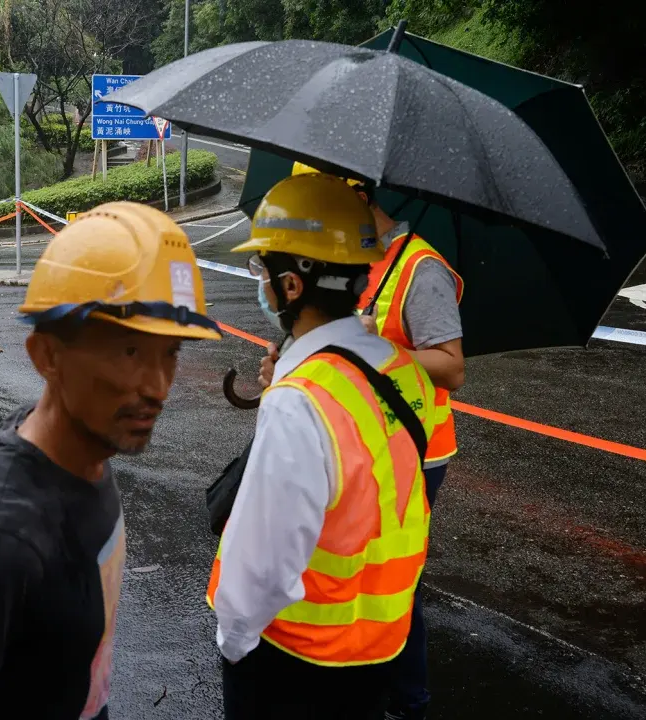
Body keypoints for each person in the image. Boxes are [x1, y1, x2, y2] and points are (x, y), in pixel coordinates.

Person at [0, 202, 221, 720]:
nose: (157, 386)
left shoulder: (85, 449)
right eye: (128, 351)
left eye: (170, 352)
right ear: (46, 356)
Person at [209, 173, 436, 719]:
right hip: (377, 649)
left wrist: (234, 643)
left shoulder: (300, 401)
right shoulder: (399, 369)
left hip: (292, 665)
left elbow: (261, 566)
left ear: (292, 285)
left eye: (262, 267)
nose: (258, 280)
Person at [269, 164, 465, 720]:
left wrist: (365, 351)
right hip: (358, 440)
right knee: (348, 572)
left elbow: (451, 367)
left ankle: (408, 702)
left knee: (394, 582)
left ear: (354, 197)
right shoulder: (351, 260)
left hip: (414, 451)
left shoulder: (420, 269)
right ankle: (360, 687)